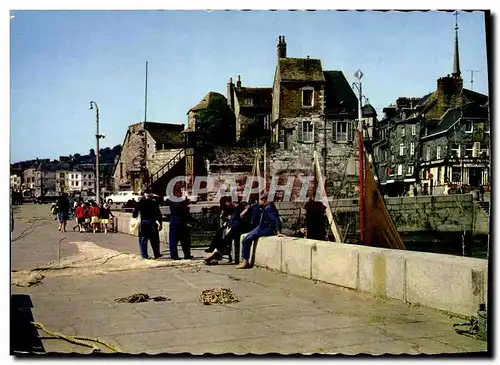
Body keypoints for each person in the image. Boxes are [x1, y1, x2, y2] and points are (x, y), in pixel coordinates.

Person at [237, 194, 282, 269]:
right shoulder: (268, 206)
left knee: (245, 240)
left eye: (260, 200)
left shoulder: (269, 208)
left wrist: (278, 231)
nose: (259, 202)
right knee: (247, 237)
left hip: (265, 228)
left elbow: (276, 219)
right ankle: (244, 261)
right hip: (262, 227)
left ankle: (245, 261)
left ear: (264, 200)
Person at [204, 200, 247, 265]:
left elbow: (237, 220)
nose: (233, 203)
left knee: (226, 236)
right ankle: (215, 252)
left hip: (238, 228)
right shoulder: (234, 208)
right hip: (233, 227)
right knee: (221, 232)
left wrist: (229, 226)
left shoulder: (240, 208)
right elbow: (232, 219)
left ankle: (217, 254)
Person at [165, 188, 193, 260]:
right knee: (184, 240)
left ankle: (174, 256)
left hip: (174, 222)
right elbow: (187, 208)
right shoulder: (182, 202)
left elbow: (165, 201)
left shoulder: (170, 201)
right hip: (182, 222)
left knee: (173, 240)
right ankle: (187, 255)